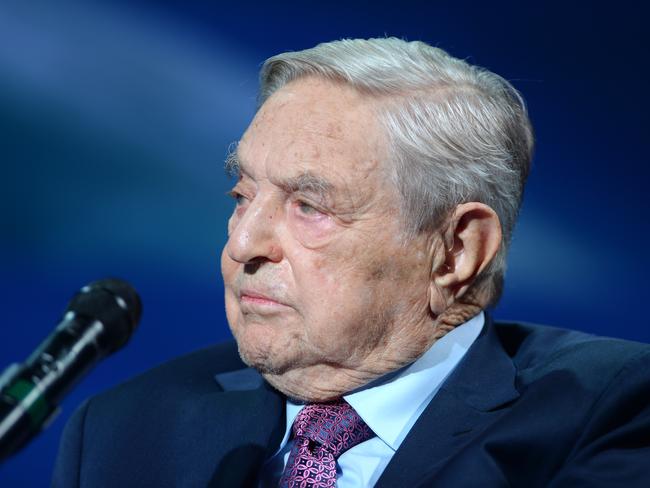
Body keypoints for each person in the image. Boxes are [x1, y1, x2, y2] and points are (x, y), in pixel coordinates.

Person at [52, 38, 650, 487]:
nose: (242, 244)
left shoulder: (605, 412)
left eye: (309, 206)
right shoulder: (123, 428)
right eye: (243, 196)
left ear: (457, 250)